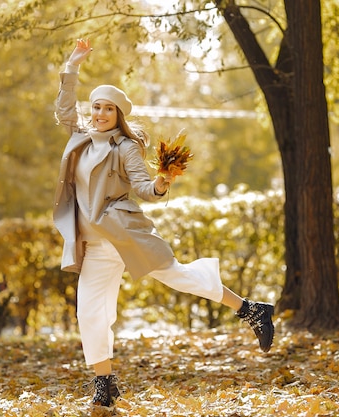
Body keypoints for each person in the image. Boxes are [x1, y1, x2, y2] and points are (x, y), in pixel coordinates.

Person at [53, 38, 275, 409]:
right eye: (97, 107)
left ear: (119, 115)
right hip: (94, 246)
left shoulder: (124, 147)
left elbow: (141, 185)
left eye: (109, 109)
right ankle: (104, 383)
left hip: (125, 235)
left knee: (179, 276)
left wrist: (160, 184)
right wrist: (73, 63)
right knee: (90, 310)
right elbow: (63, 108)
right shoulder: (80, 138)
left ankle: (251, 310)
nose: (101, 113)